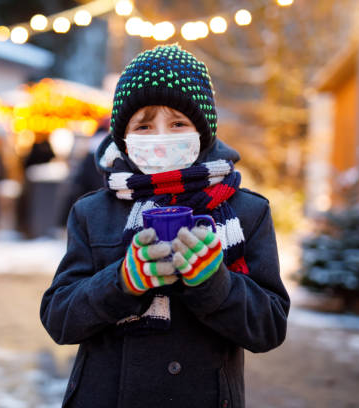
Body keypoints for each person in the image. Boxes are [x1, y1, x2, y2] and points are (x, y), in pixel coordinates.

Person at [40, 44, 290, 408]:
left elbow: (268, 328)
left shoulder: (247, 211)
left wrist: (214, 282)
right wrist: (123, 281)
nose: (160, 138)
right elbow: (59, 318)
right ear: (123, 135)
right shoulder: (92, 212)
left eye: (177, 124)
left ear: (202, 131)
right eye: (143, 125)